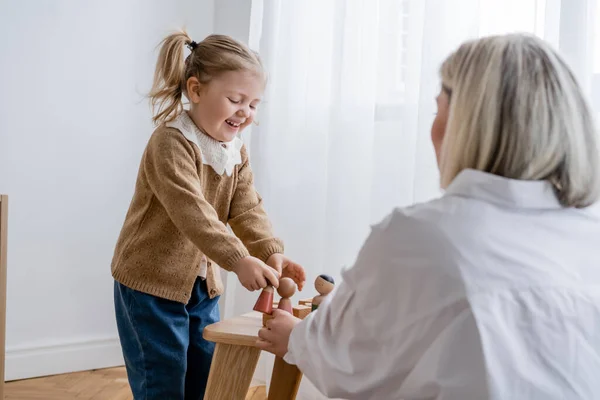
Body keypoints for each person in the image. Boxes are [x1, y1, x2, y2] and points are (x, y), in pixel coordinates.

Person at [257, 33, 600, 399]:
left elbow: (347, 361)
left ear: (469, 126)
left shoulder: (419, 236)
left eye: (439, 111)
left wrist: (296, 336)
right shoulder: (589, 235)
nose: (432, 130)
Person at [111, 30, 305, 400]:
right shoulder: (170, 142)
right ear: (196, 90)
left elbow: (246, 206)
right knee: (162, 378)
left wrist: (268, 251)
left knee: (204, 371)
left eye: (254, 104)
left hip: (200, 286)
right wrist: (238, 259)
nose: (245, 113)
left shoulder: (235, 151)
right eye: (236, 99)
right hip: (150, 283)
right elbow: (192, 213)